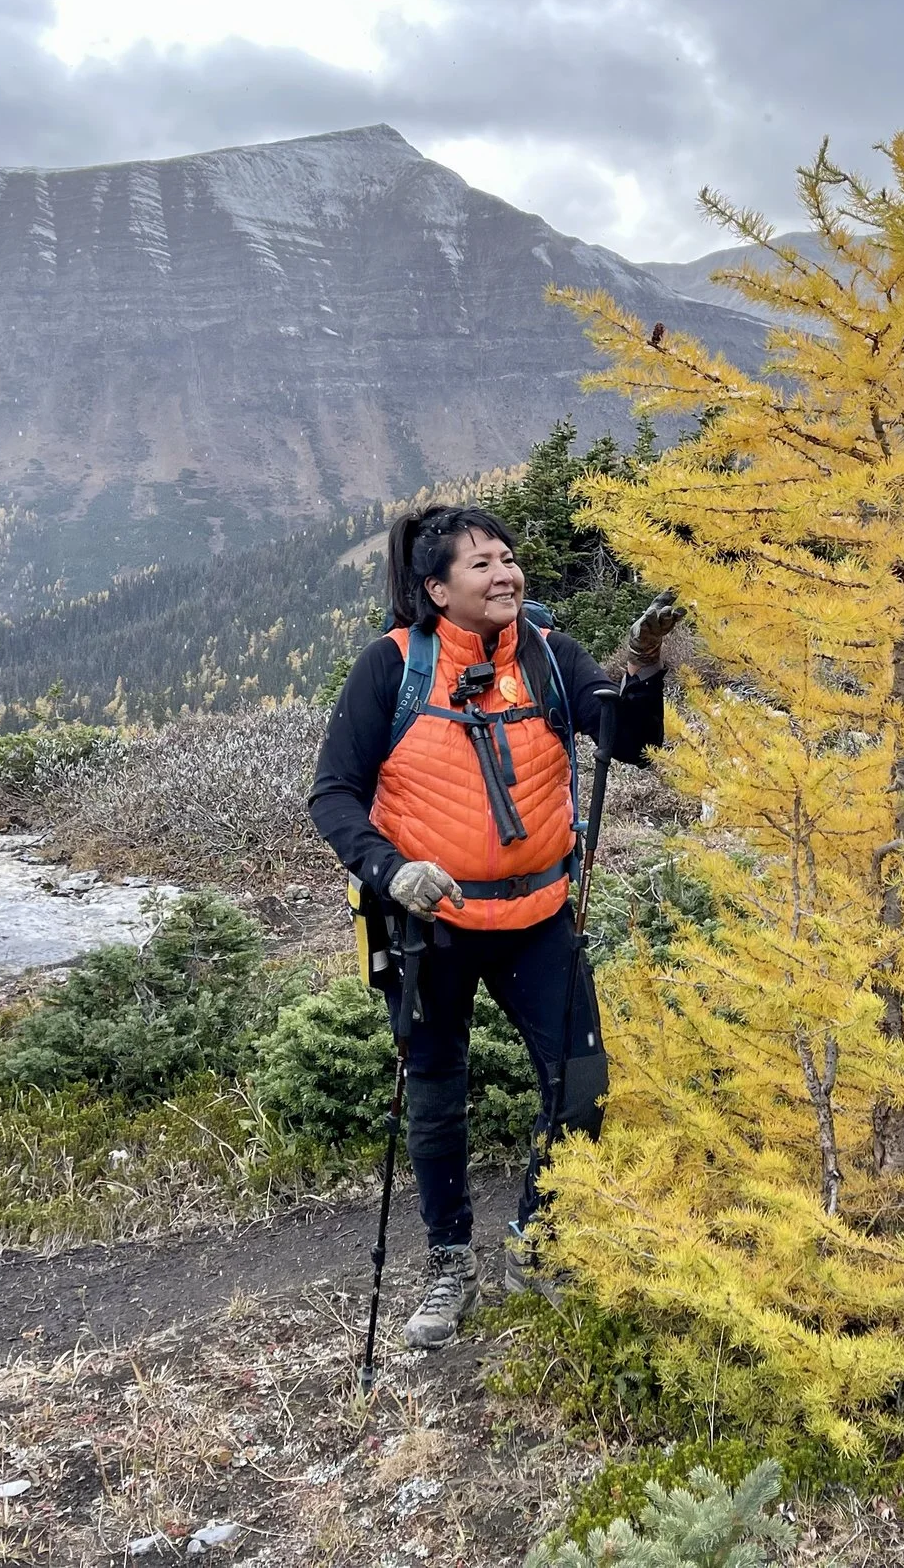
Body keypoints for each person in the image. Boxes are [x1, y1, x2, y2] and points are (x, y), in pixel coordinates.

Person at [309, 502, 677, 1351]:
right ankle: (450, 1261)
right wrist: (391, 870)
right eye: (481, 564)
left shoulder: (547, 653)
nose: (506, 572)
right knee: (436, 1093)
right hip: (429, 922)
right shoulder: (391, 667)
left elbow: (629, 743)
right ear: (436, 590)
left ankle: (536, 1241)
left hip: (537, 914)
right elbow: (333, 794)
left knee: (581, 1086)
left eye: (508, 557)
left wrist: (644, 666)